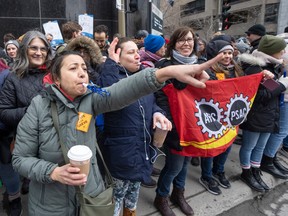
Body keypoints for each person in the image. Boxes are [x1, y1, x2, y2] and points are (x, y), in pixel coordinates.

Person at [11, 36, 223, 215]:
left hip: (90, 195)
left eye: (84, 67)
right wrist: (53, 172)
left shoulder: (92, 95)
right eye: (73, 68)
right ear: (56, 78)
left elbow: (119, 91)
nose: (82, 72)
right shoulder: (38, 107)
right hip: (50, 205)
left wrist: (163, 73)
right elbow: (20, 159)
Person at [97, 37, 172, 216]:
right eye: (131, 53)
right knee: (117, 194)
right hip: (120, 150)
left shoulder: (143, 76)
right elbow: (108, 95)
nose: (138, 56)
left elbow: (152, 102)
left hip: (142, 147)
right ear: (118, 56)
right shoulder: (110, 77)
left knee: (133, 191)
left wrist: (157, 112)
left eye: (137, 52)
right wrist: (111, 64)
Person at [153, 26, 201, 216]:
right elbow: (160, 97)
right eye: (181, 40)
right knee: (173, 166)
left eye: (189, 39)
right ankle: (161, 197)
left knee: (186, 162)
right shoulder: (164, 66)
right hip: (174, 125)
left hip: (194, 124)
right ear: (173, 43)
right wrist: (172, 123)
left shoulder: (201, 64)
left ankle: (178, 194)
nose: (186, 43)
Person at [0, 30, 53, 199]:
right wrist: (32, 111)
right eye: (34, 48)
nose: (39, 52)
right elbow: (4, 112)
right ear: (24, 50)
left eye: (43, 48)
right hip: (25, 140)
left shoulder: (56, 73)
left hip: (53, 140)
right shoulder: (13, 77)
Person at [238, 35, 288, 192]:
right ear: (272, 51)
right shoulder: (255, 68)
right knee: (249, 146)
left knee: (260, 147)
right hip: (256, 115)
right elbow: (259, 96)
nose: (284, 52)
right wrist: (282, 85)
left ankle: (255, 170)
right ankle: (246, 172)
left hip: (269, 114)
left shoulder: (272, 66)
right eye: (281, 50)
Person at [199, 40, 244, 195]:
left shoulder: (236, 69)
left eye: (230, 53)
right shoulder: (209, 71)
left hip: (230, 117)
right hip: (214, 117)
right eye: (224, 53)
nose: (227, 56)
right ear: (216, 54)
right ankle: (206, 175)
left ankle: (219, 170)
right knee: (212, 147)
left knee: (227, 146)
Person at [0, 60, 22, 216]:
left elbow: (10, 109)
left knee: (8, 169)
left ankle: (14, 200)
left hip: (4, 134)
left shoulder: (7, 75)